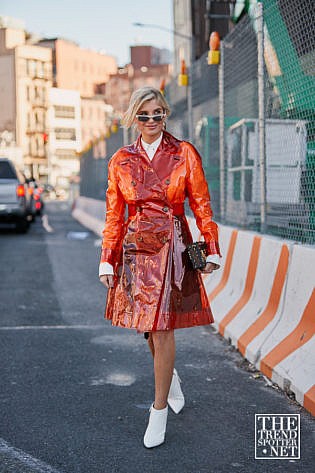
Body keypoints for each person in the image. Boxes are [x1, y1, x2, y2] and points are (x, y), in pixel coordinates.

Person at [99, 86, 221, 448]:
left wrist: (211, 248)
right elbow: (113, 214)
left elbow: (201, 204)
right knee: (149, 329)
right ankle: (171, 379)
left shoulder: (184, 153)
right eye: (144, 115)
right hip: (137, 248)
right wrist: (108, 258)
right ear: (133, 118)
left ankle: (158, 411)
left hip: (173, 245)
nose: (152, 121)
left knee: (163, 328)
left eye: (158, 114)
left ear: (165, 114)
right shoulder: (121, 159)